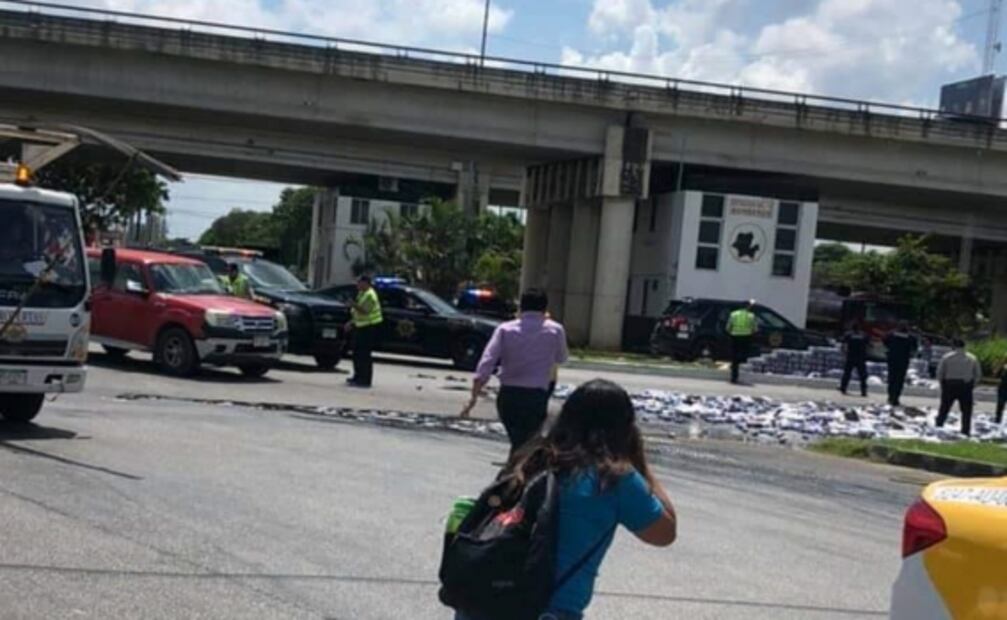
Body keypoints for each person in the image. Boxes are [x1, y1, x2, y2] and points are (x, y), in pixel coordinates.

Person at [456, 379, 677, 620]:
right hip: (546, 612)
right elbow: (665, 533)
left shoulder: (531, 460)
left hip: (480, 605)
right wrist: (638, 462)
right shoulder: (614, 478)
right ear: (625, 429)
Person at [470, 289, 568, 455]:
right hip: (536, 396)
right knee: (526, 441)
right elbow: (562, 358)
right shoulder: (556, 330)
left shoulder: (504, 329)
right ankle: (518, 472)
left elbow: (487, 360)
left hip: (508, 395)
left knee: (518, 441)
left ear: (521, 307)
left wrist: (475, 391)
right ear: (545, 308)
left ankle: (514, 470)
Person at [935, 339, 983, 437]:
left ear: (953, 346)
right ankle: (965, 430)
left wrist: (942, 384)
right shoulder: (972, 358)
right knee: (966, 411)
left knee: (944, 408)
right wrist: (972, 385)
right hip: (965, 386)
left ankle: (939, 426)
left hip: (950, 384)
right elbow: (978, 374)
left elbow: (940, 373)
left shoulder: (947, 357)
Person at [344, 275, 383, 388]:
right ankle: (357, 376)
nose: (357, 285)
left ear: (366, 283)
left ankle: (364, 380)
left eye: (359, 283)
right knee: (356, 353)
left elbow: (365, 310)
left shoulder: (370, 295)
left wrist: (353, 304)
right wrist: (351, 322)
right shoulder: (362, 293)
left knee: (364, 355)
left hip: (369, 327)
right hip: (360, 326)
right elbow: (357, 313)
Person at [884, 322, 917, 406]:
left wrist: (891, 348)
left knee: (891, 378)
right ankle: (896, 398)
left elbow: (885, 341)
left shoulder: (891, 334)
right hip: (903, 360)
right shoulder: (911, 337)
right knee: (899, 380)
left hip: (892, 359)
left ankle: (891, 396)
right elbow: (914, 348)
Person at [726, 300, 758, 384]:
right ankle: (743, 373)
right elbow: (755, 329)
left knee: (734, 358)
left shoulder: (733, 314)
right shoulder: (751, 316)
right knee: (744, 356)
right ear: (748, 307)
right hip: (746, 337)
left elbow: (728, 327)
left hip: (734, 337)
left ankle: (734, 377)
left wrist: (731, 333)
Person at [839, 322, 869, 397]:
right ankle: (864, 391)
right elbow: (868, 345)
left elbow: (844, 345)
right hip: (861, 357)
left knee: (847, 374)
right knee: (862, 375)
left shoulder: (848, 334)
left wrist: (843, 354)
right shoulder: (864, 335)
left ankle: (843, 388)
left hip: (851, 357)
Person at [996, 361, 1007, 426]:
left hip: (1003, 388)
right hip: (1003, 388)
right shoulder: (1004, 367)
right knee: (1000, 405)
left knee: (1000, 405)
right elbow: (996, 374)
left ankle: (998, 419)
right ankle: (998, 419)